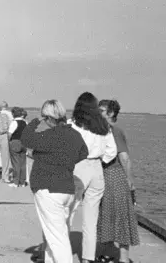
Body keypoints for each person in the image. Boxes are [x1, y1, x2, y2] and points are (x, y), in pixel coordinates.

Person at [22, 99, 88, 263]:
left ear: (49, 118)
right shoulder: (75, 135)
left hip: (48, 189)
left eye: (45, 117)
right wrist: (64, 161)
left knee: (57, 238)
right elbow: (83, 153)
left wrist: (35, 121)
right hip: (66, 188)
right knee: (56, 235)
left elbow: (26, 138)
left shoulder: (48, 136)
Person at [68, 92, 117, 263]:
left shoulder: (72, 125)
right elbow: (112, 151)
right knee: (91, 219)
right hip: (96, 168)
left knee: (69, 212)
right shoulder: (103, 126)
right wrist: (101, 160)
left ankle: (62, 253)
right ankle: (88, 258)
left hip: (77, 166)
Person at [96, 99, 139, 263]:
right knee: (115, 215)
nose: (98, 113)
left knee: (113, 215)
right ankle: (116, 255)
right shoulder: (107, 131)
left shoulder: (113, 131)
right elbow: (125, 158)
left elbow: (124, 157)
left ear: (111, 113)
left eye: (101, 111)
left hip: (112, 176)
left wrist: (129, 180)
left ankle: (118, 256)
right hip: (110, 176)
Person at [8, 107, 29, 187]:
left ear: (13, 114)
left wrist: (9, 142)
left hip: (15, 142)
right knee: (23, 163)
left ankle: (15, 182)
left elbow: (9, 134)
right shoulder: (25, 122)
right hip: (24, 143)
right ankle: (22, 182)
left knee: (15, 163)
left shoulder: (14, 123)